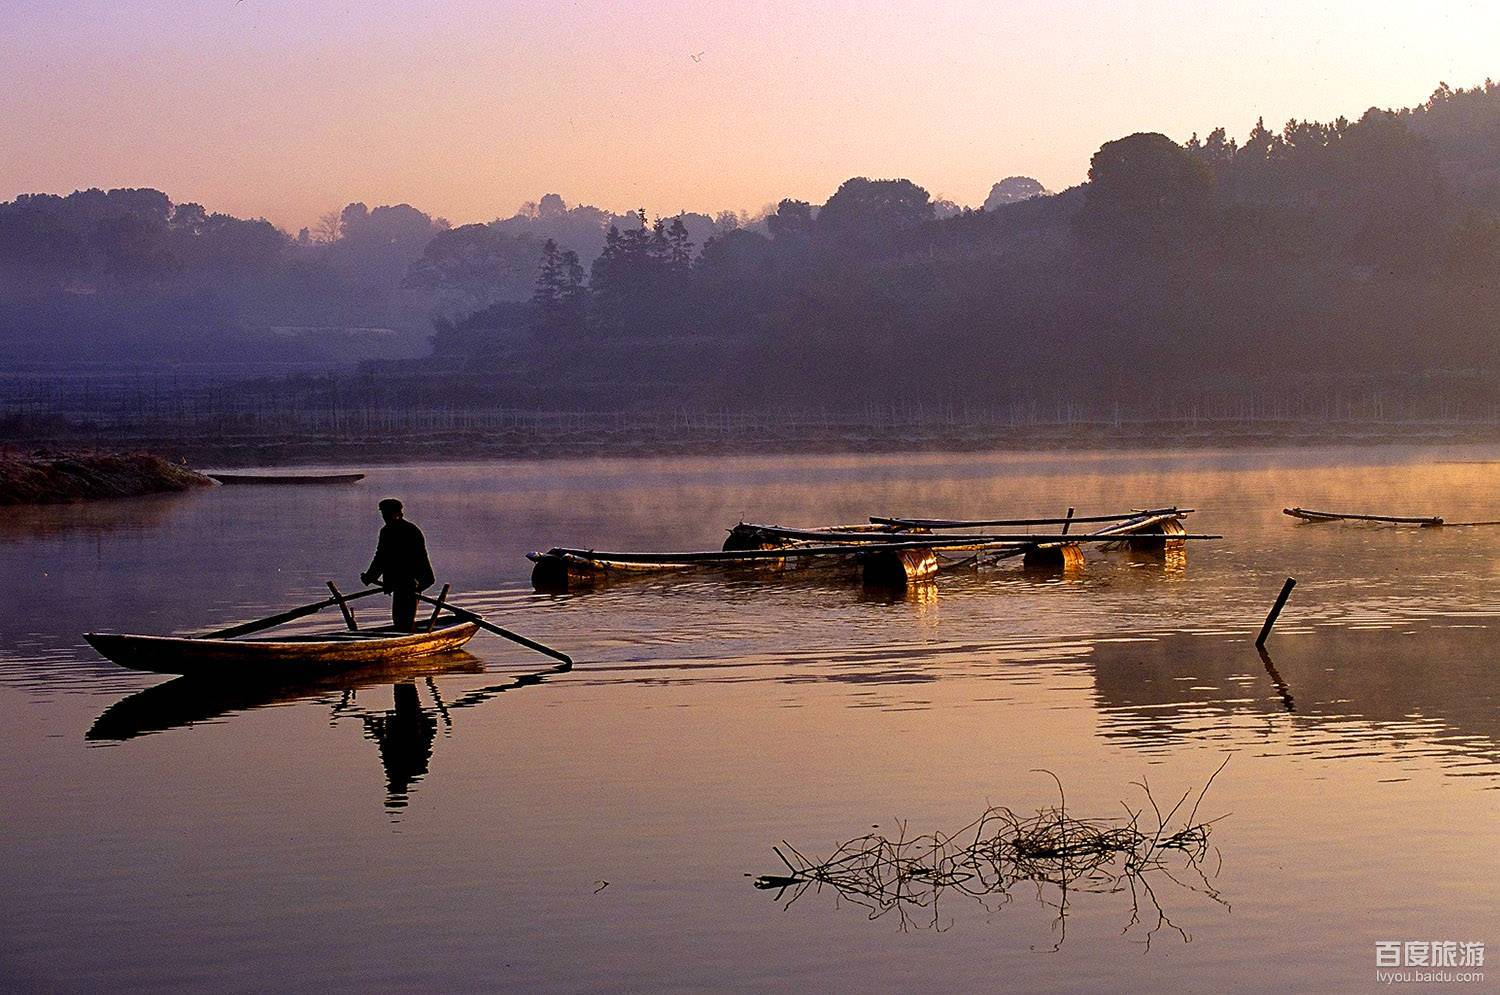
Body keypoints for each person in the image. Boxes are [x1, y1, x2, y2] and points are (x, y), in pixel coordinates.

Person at [360, 498, 435, 632]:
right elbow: (382, 556)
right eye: (383, 513)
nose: (384, 516)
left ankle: (407, 640)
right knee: (401, 620)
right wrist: (370, 576)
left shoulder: (403, 531)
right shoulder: (392, 530)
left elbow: (383, 557)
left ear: (397, 513)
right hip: (403, 581)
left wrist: (370, 576)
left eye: (387, 513)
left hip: (410, 581)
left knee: (403, 620)